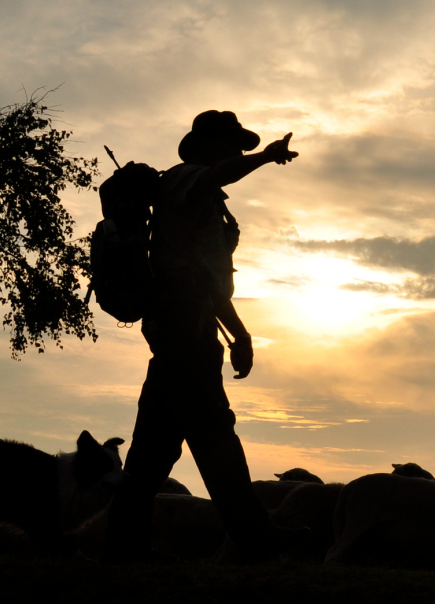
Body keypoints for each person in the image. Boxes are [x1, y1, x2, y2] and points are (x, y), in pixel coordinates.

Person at [104, 110, 302, 563]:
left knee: (153, 451)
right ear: (207, 147)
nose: (239, 151)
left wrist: (240, 334)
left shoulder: (207, 198)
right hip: (181, 328)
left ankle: (121, 550)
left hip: (190, 325)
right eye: (232, 143)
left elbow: (209, 282)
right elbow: (194, 279)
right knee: (214, 434)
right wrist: (266, 157)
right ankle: (257, 539)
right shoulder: (186, 181)